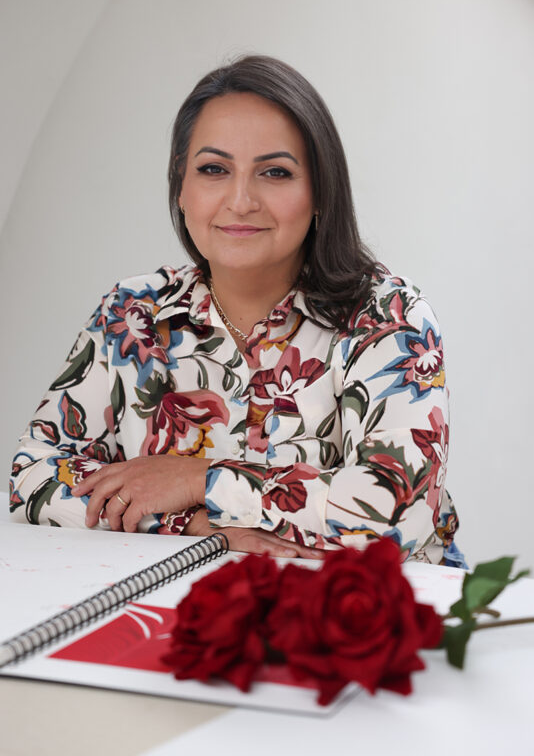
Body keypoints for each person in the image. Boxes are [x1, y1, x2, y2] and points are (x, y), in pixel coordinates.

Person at [9, 55, 463, 565]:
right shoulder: (132, 314)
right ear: (181, 185)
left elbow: (395, 512)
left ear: (320, 192)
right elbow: (34, 475)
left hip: (375, 608)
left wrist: (198, 480)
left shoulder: (390, 317)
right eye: (214, 169)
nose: (241, 200)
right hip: (185, 602)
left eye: (275, 172)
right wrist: (199, 527)